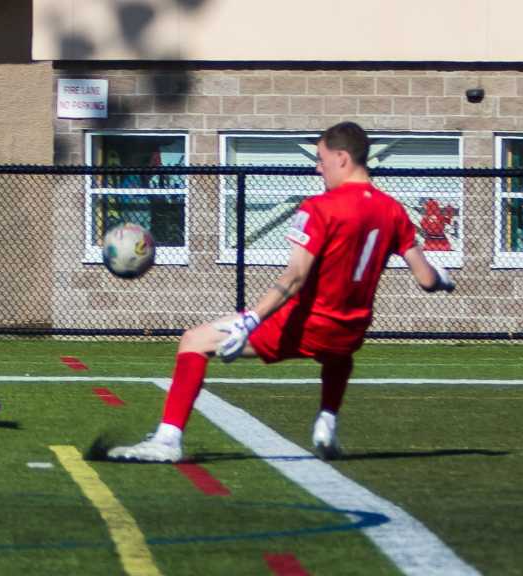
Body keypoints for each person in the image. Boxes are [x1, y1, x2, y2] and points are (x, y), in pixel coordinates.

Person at [107, 121, 454, 463]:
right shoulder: (393, 210)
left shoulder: (320, 207)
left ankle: (167, 439)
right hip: (350, 332)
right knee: (338, 354)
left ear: (343, 159)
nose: (318, 168)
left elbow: (295, 277)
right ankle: (327, 422)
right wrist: (442, 277)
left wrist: (251, 319)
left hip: (304, 326)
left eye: (321, 159)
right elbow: (425, 278)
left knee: (193, 341)